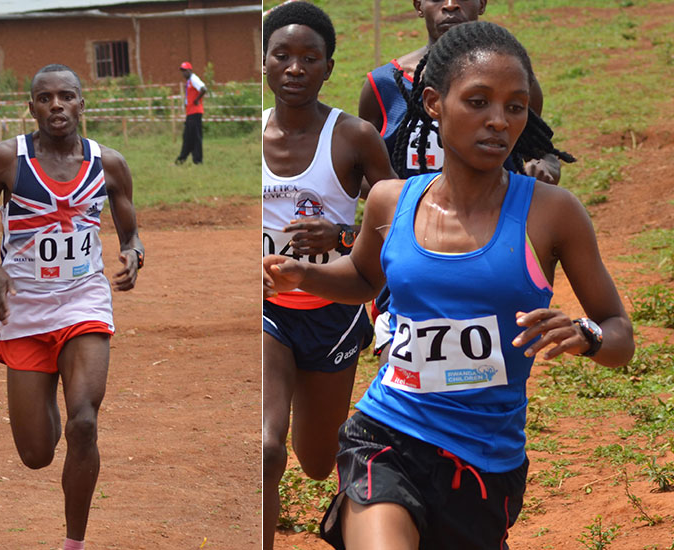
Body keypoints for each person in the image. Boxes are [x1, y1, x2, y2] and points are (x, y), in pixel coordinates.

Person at [264, 21, 634, 550]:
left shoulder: (552, 214)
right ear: (435, 103)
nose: (498, 122)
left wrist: (588, 335)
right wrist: (306, 275)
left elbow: (620, 333)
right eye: (478, 101)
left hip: (486, 459)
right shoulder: (391, 200)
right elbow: (366, 279)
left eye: (515, 106)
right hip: (388, 433)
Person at [0, 63, 144, 550]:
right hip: (22, 307)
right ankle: (42, 398)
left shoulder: (110, 164)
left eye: (67, 96)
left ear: (83, 103)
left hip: (83, 299)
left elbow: (131, 234)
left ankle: (74, 542)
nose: (57, 106)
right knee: (37, 453)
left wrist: (133, 256)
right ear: (32, 107)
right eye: (45, 98)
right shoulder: (7, 159)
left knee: (83, 419)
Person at [261, 3, 397, 550]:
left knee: (316, 463)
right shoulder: (250, 142)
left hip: (334, 313)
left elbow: (396, 219)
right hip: (267, 311)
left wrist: (342, 234)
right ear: (264, 63)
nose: (295, 68)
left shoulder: (355, 136)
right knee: (266, 447)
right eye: (283, 56)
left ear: (328, 67)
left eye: (309, 58)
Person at [358, 0, 562, 360]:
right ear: (419, 4)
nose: (450, 4)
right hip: (411, 252)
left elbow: (538, 148)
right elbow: (366, 170)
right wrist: (396, 207)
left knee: (486, 365)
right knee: (409, 368)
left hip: (490, 252)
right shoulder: (383, 85)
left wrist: (546, 166)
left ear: (482, 3)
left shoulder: (517, 82)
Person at [174, 61, 207, 165]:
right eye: (182, 71)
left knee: (193, 137)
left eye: (185, 71)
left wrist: (197, 100)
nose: (183, 73)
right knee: (189, 137)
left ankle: (194, 160)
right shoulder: (189, 81)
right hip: (191, 113)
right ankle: (186, 159)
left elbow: (203, 89)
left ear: (190, 70)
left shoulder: (194, 79)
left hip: (195, 113)